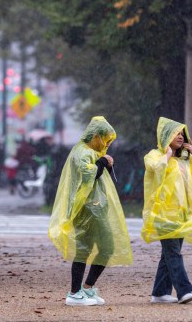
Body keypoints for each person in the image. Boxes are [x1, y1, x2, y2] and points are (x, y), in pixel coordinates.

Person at [48, 116, 133, 306]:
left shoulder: (91, 152)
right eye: (105, 139)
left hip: (95, 208)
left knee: (103, 248)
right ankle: (75, 292)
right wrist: (102, 162)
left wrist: (103, 162)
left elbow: (97, 176)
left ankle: (85, 288)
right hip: (86, 209)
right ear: (96, 136)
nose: (107, 143)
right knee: (85, 250)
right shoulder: (82, 152)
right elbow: (87, 175)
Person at [141, 117, 192, 304]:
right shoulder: (154, 155)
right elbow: (156, 168)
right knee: (173, 253)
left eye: (181, 134)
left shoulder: (186, 161)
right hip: (162, 215)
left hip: (181, 215)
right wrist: (168, 153)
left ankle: (159, 293)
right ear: (165, 136)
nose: (180, 137)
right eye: (175, 133)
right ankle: (184, 290)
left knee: (169, 254)